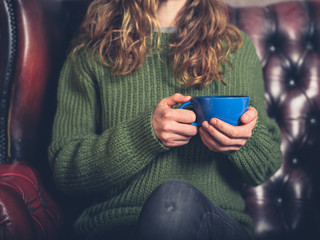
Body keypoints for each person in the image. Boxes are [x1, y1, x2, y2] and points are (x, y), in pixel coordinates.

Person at [48, 0, 282, 239]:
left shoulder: (235, 48)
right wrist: (142, 136)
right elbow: (65, 171)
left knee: (174, 200)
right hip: (116, 227)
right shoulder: (92, 51)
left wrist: (244, 142)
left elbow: (267, 164)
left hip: (215, 226)